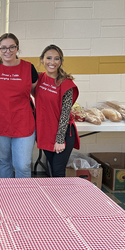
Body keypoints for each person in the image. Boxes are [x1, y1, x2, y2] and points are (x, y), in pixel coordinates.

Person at [0, 33, 38, 178]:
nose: (7, 51)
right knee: (3, 161)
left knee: (23, 165)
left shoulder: (28, 68)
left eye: (11, 47)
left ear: (17, 48)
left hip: (24, 123)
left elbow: (37, 94)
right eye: (3, 48)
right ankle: (7, 197)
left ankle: (22, 198)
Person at [34, 44, 80, 177]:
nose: (52, 62)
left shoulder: (66, 84)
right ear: (42, 60)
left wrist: (60, 140)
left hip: (63, 133)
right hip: (46, 131)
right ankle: (53, 197)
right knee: (51, 169)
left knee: (58, 170)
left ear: (60, 61)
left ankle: (59, 198)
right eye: (48, 58)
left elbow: (65, 114)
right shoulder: (39, 79)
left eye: (56, 59)